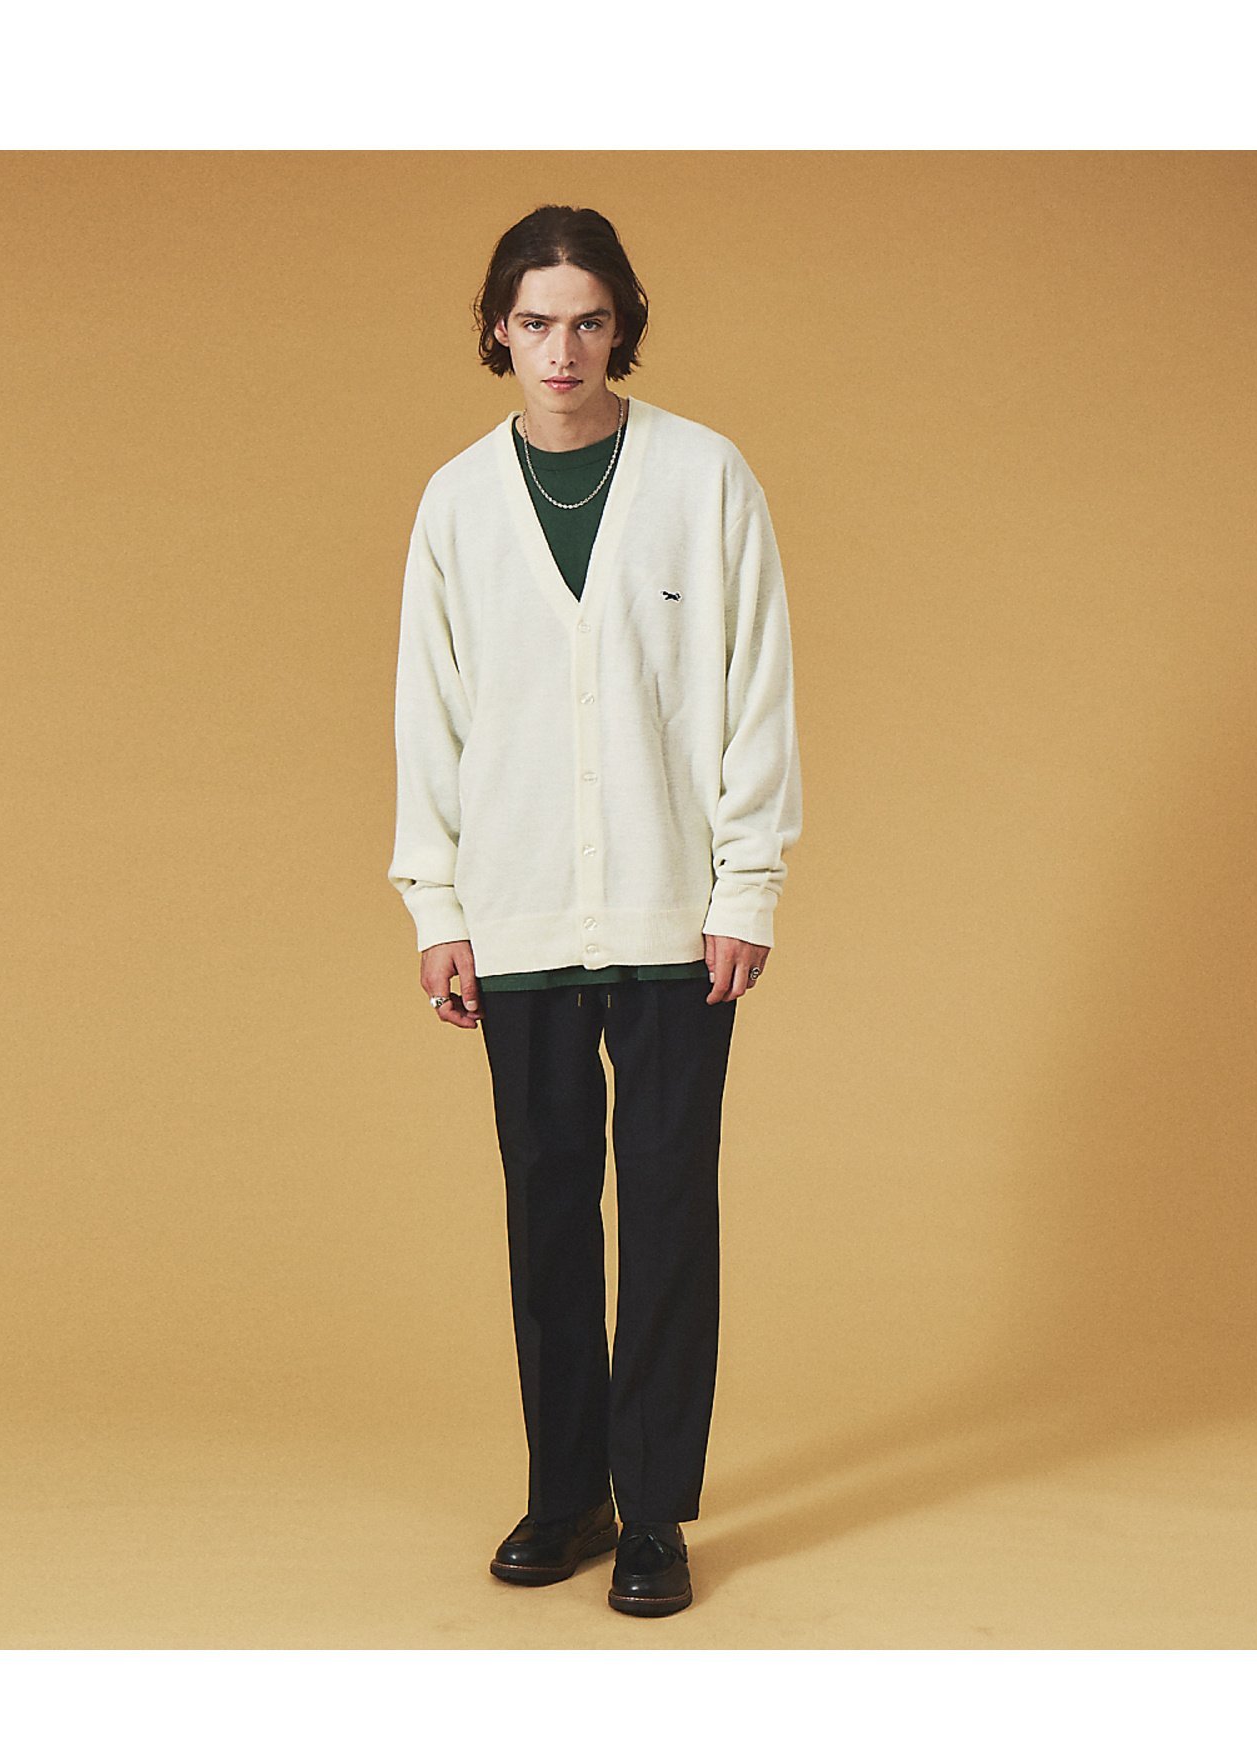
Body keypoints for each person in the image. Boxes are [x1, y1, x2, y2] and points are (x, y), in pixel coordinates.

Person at [388, 204, 802, 1617]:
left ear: (621, 325)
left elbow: (756, 690)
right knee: (548, 1210)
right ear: (497, 330)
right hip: (515, 914)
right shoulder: (456, 503)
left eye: (586, 321)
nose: (559, 350)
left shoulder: (704, 477)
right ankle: (567, 1491)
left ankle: (655, 1510)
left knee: (669, 1208)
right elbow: (429, 716)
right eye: (533, 322)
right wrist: (437, 906)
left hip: (675, 915)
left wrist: (747, 883)